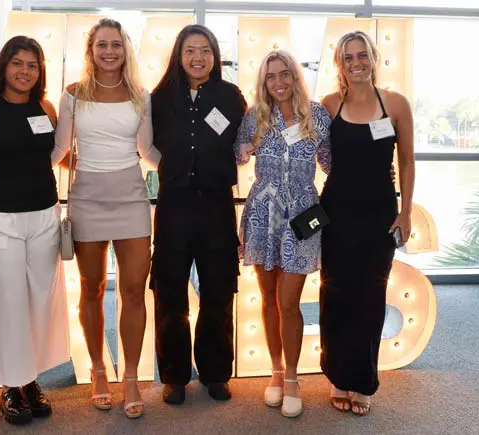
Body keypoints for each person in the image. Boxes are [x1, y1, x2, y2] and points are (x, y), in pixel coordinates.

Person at [51, 18, 160, 419]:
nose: (109, 51)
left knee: (134, 289)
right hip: (87, 197)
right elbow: (61, 148)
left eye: (116, 44)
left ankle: (130, 376)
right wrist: (18, 173)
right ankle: (98, 370)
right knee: (92, 289)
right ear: (91, 50)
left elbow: (147, 151)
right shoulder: (73, 95)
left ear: (125, 49)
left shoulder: (141, 96)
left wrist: (189, 173)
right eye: (102, 45)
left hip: (131, 198)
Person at [0, 36, 69, 425]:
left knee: (41, 300)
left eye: (33, 65)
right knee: (7, 302)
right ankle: (10, 385)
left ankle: (30, 380)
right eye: (17, 63)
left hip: (44, 215)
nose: (25, 71)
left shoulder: (47, 108)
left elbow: (60, 156)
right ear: (3, 66)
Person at [318, 30, 415, 417]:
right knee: (336, 293)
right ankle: (338, 376)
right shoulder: (328, 105)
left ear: (374, 58)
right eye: (348, 58)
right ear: (339, 64)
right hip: (335, 213)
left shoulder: (395, 104)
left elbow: (406, 161)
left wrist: (405, 212)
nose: (356, 63)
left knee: (371, 297)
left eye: (362, 56)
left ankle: (362, 381)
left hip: (378, 215)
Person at [150, 24, 247, 405]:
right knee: (170, 292)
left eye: (205, 50)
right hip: (174, 205)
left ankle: (216, 372)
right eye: (191, 50)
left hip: (217, 206)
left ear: (214, 55)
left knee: (219, 291)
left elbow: (245, 139)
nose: (198, 57)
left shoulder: (230, 95)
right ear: (179, 54)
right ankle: (174, 375)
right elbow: (149, 144)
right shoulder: (160, 98)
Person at [234, 50, 331, 418]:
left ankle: (292, 377)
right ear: (264, 82)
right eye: (270, 77)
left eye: (284, 74)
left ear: (295, 77)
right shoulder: (255, 116)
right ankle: (275, 371)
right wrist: (244, 148)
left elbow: (333, 163)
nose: (278, 83)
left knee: (288, 302)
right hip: (264, 212)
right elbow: (238, 156)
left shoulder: (317, 114)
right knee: (269, 297)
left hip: (305, 213)